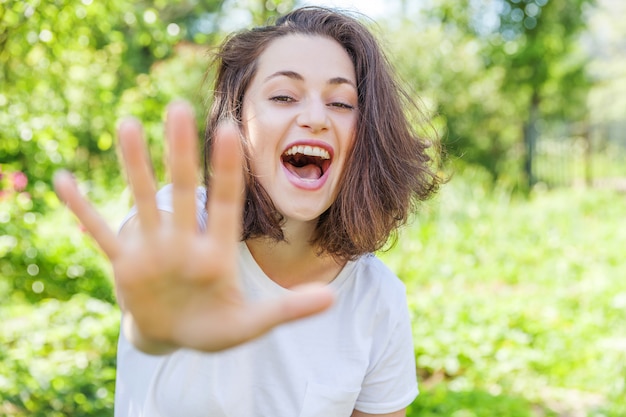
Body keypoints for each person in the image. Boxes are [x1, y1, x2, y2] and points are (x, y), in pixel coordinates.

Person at [54, 6, 442, 417]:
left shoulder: (376, 297)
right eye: (283, 96)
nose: (315, 118)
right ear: (237, 121)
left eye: (342, 103)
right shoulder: (187, 221)